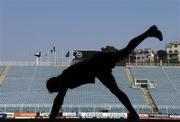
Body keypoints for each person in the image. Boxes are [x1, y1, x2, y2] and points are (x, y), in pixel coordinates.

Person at [46, 25, 163, 120]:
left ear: (55, 84)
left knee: (125, 52)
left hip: (98, 63)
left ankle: (149, 32)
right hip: (98, 69)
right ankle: (133, 114)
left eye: (56, 89)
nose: (58, 91)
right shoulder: (64, 79)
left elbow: (59, 100)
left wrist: (51, 118)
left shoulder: (64, 78)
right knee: (116, 89)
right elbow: (59, 99)